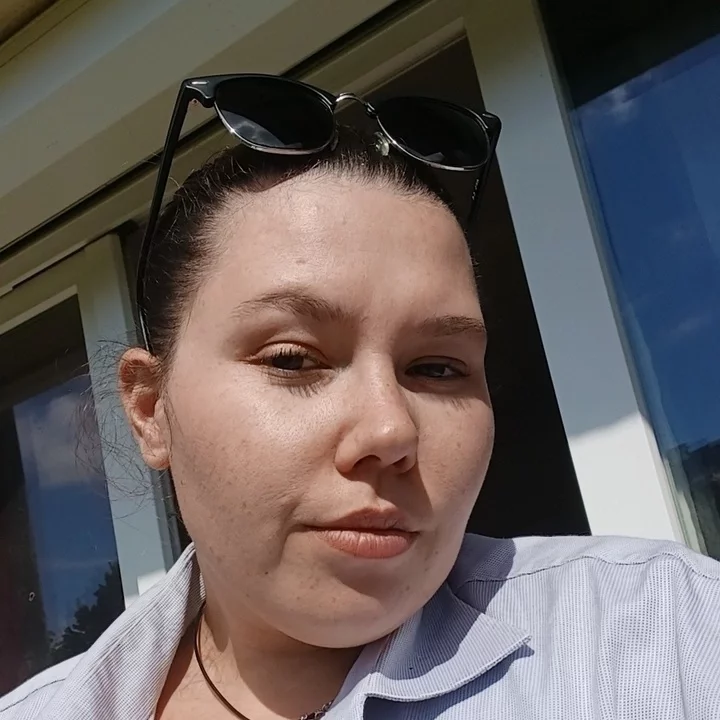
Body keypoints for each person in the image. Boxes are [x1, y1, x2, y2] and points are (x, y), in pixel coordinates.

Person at [2, 75, 719, 720]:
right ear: (151, 410)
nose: (389, 430)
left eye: (437, 368)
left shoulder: (662, 633)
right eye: (292, 359)